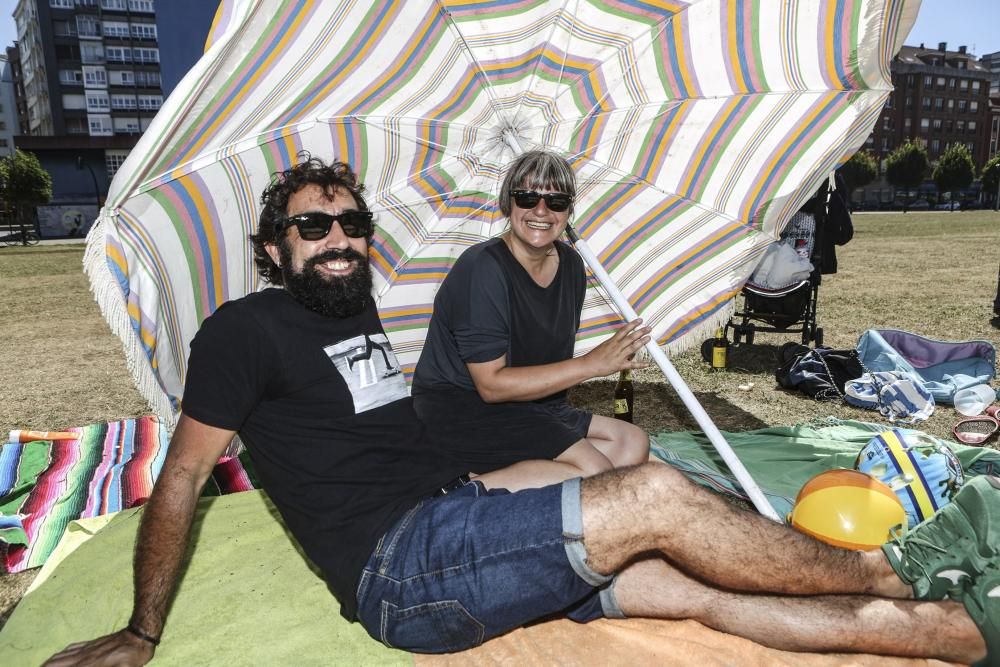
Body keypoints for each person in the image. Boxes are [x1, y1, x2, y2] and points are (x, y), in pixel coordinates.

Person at [46, 157, 995, 667]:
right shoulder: (242, 332)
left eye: (352, 224)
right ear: (273, 243)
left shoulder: (357, 308)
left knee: (692, 585)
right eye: (313, 225)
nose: (338, 240)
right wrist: (142, 631)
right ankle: (890, 566)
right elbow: (179, 478)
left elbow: (387, 436)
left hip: (450, 515)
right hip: (401, 570)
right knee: (652, 494)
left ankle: (939, 631)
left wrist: (491, 476)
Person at [412, 150, 649, 491]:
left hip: (531, 406)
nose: (541, 210)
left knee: (630, 442)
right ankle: (455, 495)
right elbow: (491, 386)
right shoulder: (482, 268)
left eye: (556, 201)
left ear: (569, 210)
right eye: (527, 197)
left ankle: (525, 490)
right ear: (507, 204)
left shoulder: (571, 266)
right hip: (463, 407)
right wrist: (591, 364)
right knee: (595, 473)